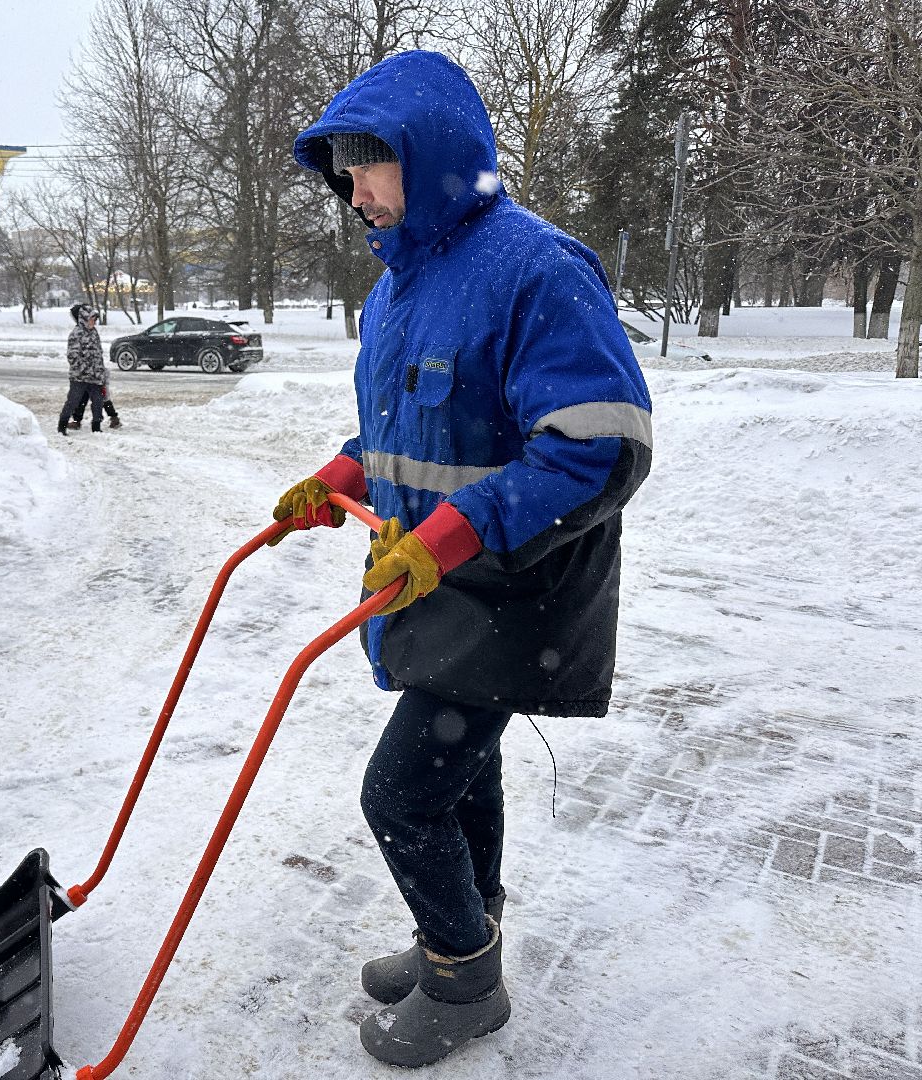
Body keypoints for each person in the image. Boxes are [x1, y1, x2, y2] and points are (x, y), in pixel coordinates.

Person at [276, 51, 653, 1067]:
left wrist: (451, 535)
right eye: (343, 174)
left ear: (431, 158)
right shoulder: (399, 289)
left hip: (515, 590)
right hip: (439, 589)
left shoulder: (535, 266)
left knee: (399, 793)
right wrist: (336, 476)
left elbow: (601, 442)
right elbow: (409, 434)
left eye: (370, 167)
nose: (354, 193)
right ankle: (466, 930)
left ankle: (464, 980)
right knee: (456, 778)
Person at [58, 303, 107, 435]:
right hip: (79, 377)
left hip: (95, 377)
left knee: (98, 402)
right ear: (84, 319)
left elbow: (98, 354)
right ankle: (62, 426)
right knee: (73, 402)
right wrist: (86, 369)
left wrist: (101, 371)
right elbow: (72, 357)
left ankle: (96, 426)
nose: (94, 322)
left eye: (95, 319)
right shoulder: (76, 334)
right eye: (92, 319)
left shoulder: (94, 333)